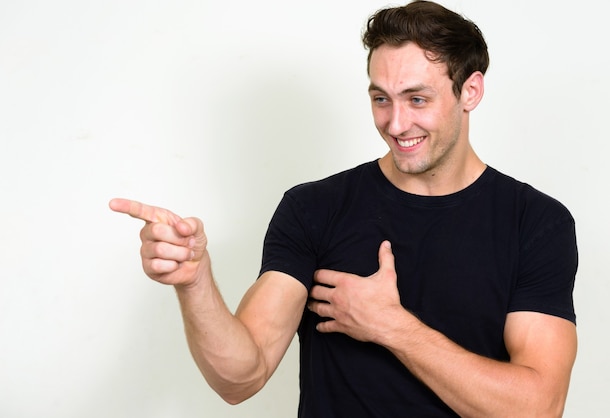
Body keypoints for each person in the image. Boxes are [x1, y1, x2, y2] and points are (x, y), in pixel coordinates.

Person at [110, 1, 578, 416]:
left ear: (470, 92)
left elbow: (539, 407)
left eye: (417, 99)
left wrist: (393, 328)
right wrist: (195, 282)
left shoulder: (536, 222)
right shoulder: (313, 208)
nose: (396, 124)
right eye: (380, 99)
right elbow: (240, 378)